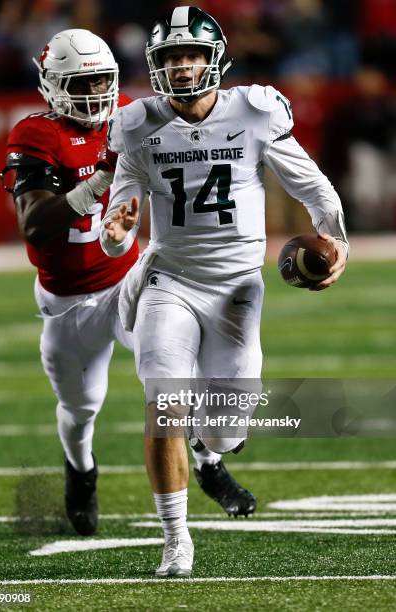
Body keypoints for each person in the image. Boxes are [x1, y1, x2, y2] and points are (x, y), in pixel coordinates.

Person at [100, 6, 348, 577]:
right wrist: (115, 239)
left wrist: (336, 242)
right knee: (164, 403)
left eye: (191, 55)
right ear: (156, 65)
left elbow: (314, 187)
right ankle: (176, 540)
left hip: (238, 288)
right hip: (171, 279)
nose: (182, 67)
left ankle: (209, 454)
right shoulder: (137, 123)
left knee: (226, 427)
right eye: (171, 57)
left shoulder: (255, 110)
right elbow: (119, 221)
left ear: (214, 60)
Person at [1, 29, 139, 536]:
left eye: (103, 80)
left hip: (129, 281)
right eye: (81, 84)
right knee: (82, 407)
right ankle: (81, 471)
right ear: (53, 86)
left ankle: (209, 462)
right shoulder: (36, 134)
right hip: (67, 299)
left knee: (168, 362)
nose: (96, 94)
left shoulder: (129, 114)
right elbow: (35, 224)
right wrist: (100, 179)